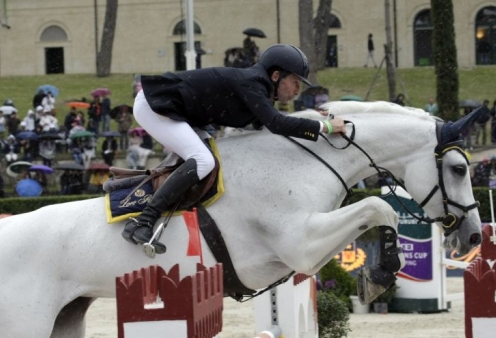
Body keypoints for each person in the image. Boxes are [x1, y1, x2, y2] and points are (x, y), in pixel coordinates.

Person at [121, 43, 346, 254]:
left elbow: (271, 123)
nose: (297, 90)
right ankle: (143, 222)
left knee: (214, 158)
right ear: (276, 75)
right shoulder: (253, 83)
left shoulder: (258, 87)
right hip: (156, 107)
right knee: (203, 160)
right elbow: (277, 124)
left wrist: (313, 117)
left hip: (178, 113)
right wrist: (324, 126)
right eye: (296, 82)